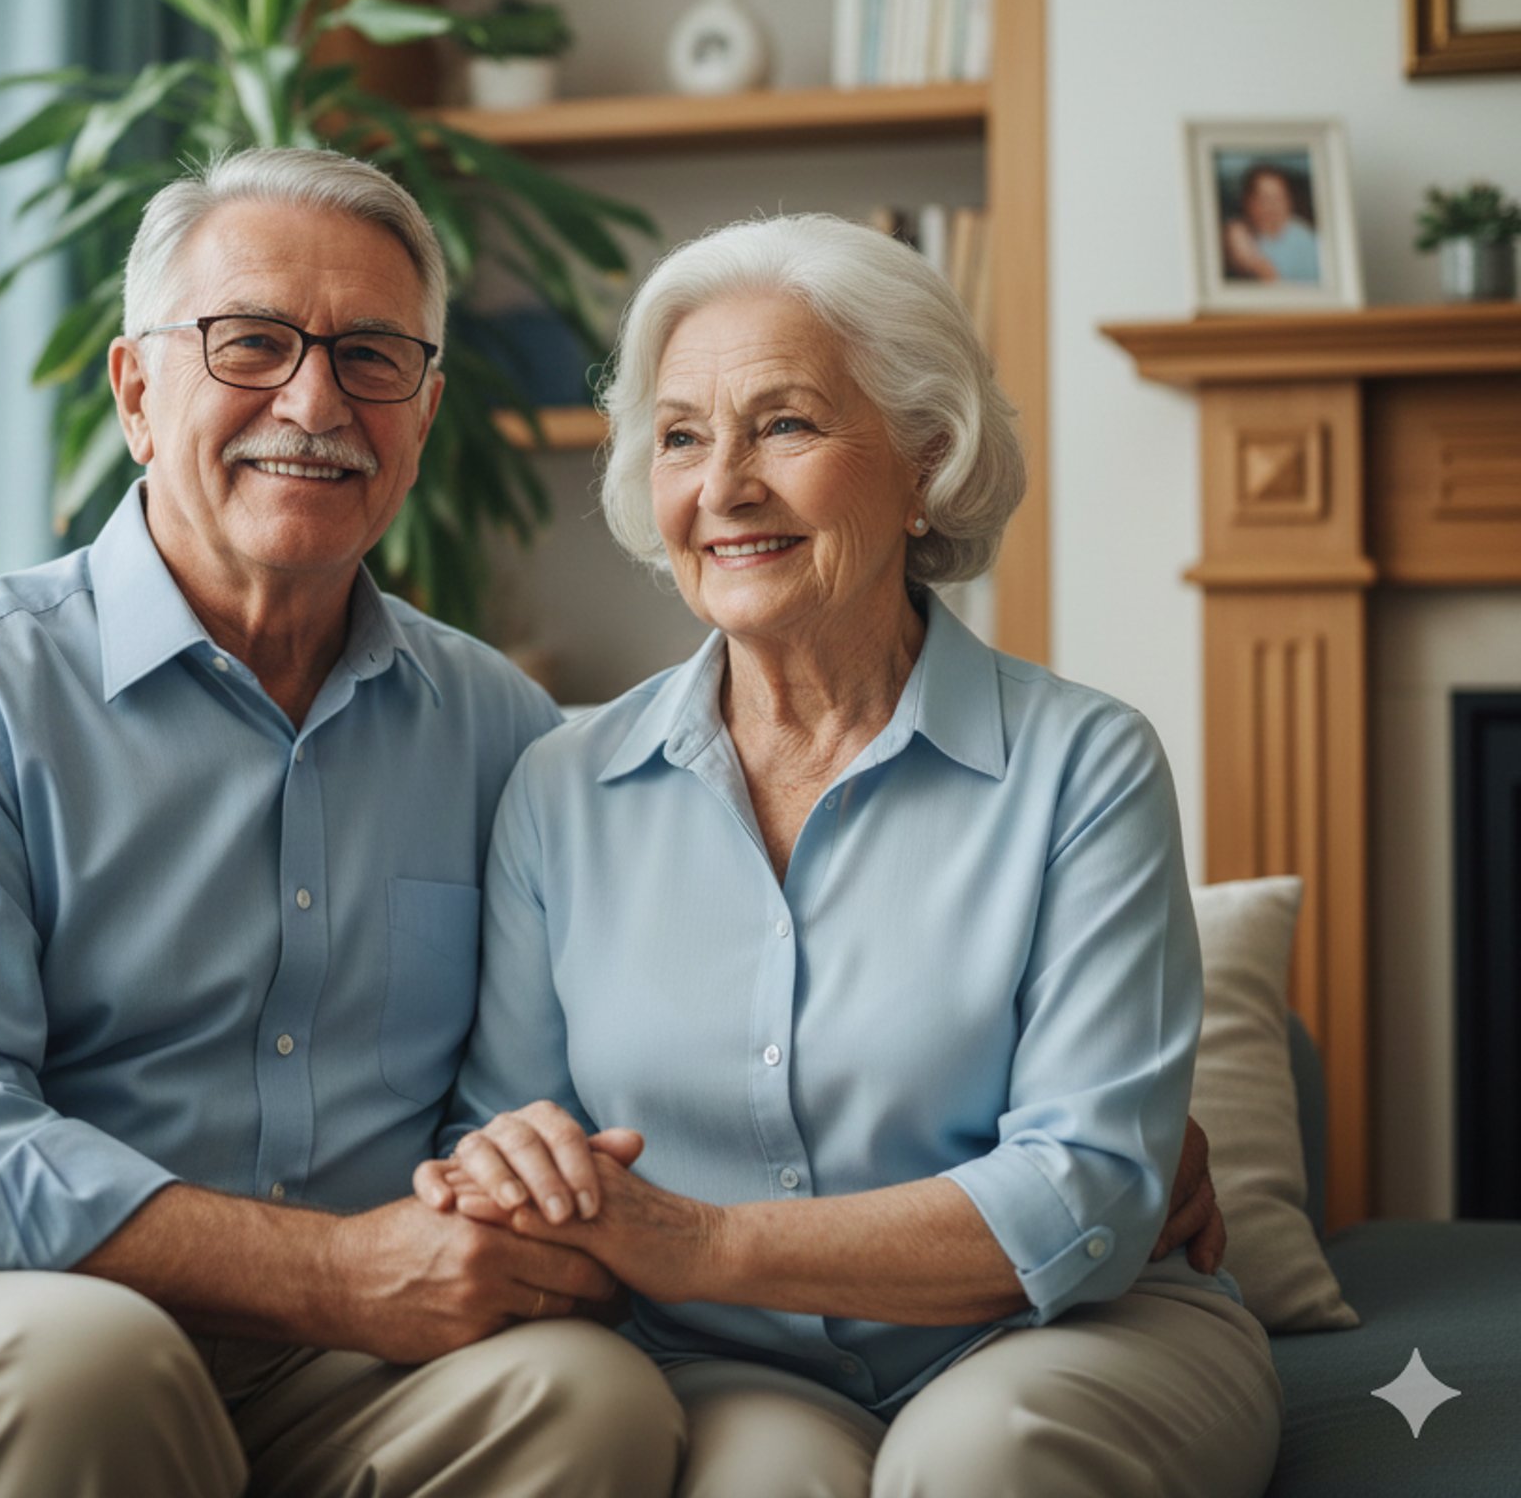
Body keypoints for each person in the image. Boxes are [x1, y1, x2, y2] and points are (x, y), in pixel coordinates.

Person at [0, 149, 687, 1498]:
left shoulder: (502, 730)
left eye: (371, 356)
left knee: (584, 1399)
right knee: (93, 1369)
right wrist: (339, 1272)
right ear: (137, 390)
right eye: (251, 343)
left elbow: (544, 1079)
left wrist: (518, 1179)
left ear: (421, 410)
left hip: (345, 1364)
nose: (313, 400)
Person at [415, 214, 1283, 1497]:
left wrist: (693, 1240)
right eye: (681, 437)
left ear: (927, 456)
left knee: (982, 1463)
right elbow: (511, 1134)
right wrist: (519, 1177)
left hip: (1064, 1338)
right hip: (724, 1367)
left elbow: (1089, 1197)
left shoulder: (1084, 766)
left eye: (786, 424)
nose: (724, 488)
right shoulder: (563, 787)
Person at [1222, 161, 1320, 282]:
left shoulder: (1306, 240)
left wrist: (1255, 263)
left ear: (1289, 201)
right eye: (1264, 199)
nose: (1272, 207)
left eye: (1279, 198)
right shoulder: (1236, 234)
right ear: (1247, 202)